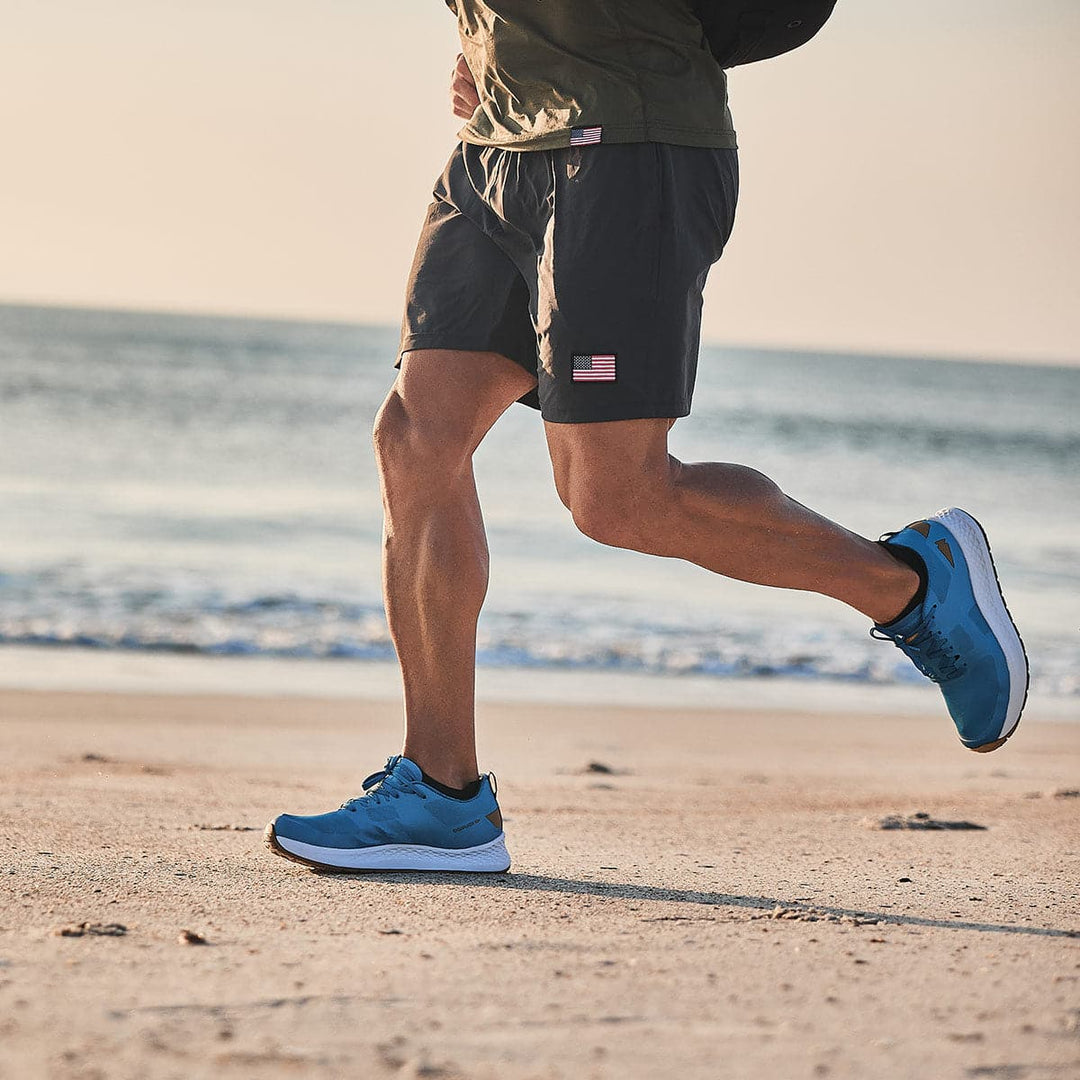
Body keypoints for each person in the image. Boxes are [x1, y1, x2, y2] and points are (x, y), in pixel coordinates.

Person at [264, 1, 1028, 873]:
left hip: (624, 145)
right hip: (498, 146)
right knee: (413, 436)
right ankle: (444, 797)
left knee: (616, 498)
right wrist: (487, 42)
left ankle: (909, 586)